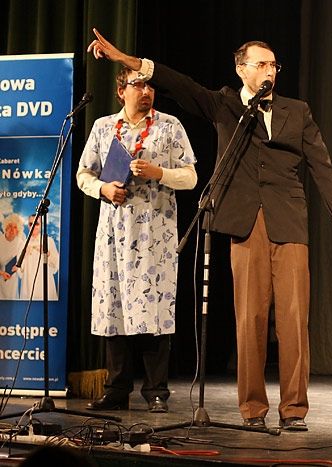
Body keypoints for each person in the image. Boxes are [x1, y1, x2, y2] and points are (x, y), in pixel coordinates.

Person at [87, 28, 332, 431]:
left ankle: (294, 410)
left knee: (293, 319)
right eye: (262, 64)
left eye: (274, 65)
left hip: (288, 220)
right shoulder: (225, 105)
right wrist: (128, 60)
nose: (270, 71)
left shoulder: (297, 111)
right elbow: (178, 83)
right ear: (241, 69)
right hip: (244, 222)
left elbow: (322, 165)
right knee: (249, 318)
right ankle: (252, 409)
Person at [77, 65, 197, 413]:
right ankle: (116, 389)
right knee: (114, 304)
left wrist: (159, 172)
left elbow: (190, 176)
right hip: (114, 234)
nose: (146, 92)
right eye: (139, 85)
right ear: (121, 91)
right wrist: (103, 189)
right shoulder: (103, 127)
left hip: (154, 233)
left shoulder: (169, 126)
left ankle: (156, 390)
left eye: (150, 86)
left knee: (154, 308)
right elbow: (83, 174)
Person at [17, 215, 59, 301]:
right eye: (31, 224)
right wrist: (24, 256)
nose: (33, 226)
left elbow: (55, 266)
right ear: (28, 226)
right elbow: (19, 271)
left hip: (45, 285)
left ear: (41, 225)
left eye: (36, 223)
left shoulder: (49, 241)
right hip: (28, 286)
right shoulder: (23, 244)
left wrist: (47, 254)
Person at [0, 213, 23, 300]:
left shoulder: (20, 243)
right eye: (10, 226)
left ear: (18, 231)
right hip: (0, 276)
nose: (12, 229)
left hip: (12, 280)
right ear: (5, 227)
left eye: (15, 227)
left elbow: (22, 264)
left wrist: (17, 267)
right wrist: (2, 273)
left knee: (12, 300)